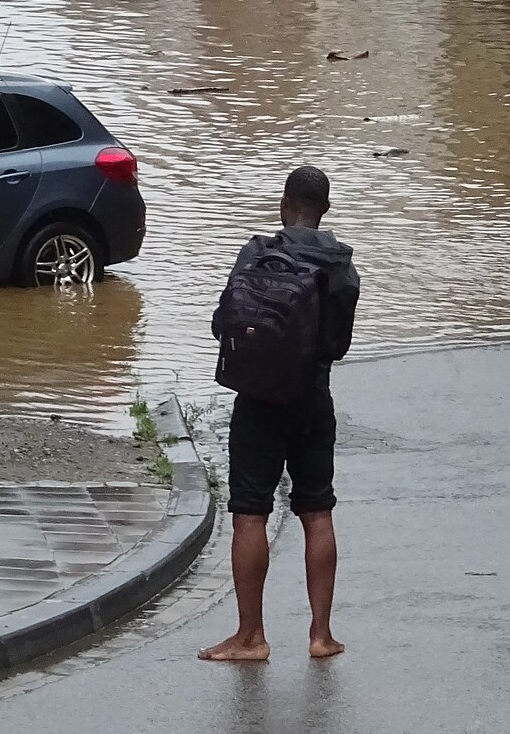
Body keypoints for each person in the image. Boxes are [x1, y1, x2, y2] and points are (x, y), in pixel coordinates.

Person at [201, 166, 359, 664]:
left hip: (258, 401)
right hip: (313, 399)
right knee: (317, 510)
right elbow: (338, 346)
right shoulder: (342, 267)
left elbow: (221, 324)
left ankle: (251, 637)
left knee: (250, 512)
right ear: (325, 210)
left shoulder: (256, 254)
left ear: (283, 204)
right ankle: (321, 636)